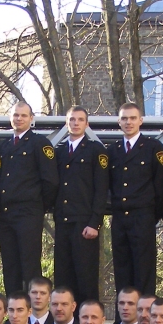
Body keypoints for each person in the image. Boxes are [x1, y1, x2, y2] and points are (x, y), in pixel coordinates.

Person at [0, 103, 60, 294]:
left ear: (31, 118)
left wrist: (39, 206)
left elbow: (51, 181)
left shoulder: (39, 143)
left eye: (24, 115)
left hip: (29, 213)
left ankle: (34, 313)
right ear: (10, 118)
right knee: (10, 266)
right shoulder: (5, 146)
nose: (19, 119)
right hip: (7, 214)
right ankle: (14, 309)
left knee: (30, 265)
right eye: (15, 115)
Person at [107, 102, 163, 296]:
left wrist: (154, 215)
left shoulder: (153, 147)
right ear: (119, 122)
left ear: (141, 120)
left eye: (133, 118)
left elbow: (161, 185)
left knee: (144, 271)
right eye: (124, 118)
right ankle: (123, 320)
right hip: (119, 219)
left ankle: (144, 319)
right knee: (122, 270)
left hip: (143, 217)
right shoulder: (113, 150)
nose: (128, 122)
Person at [53, 106, 108, 303]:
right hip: (63, 221)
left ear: (87, 124)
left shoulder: (95, 150)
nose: (75, 123)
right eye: (72, 120)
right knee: (63, 277)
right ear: (66, 123)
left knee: (86, 277)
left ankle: (88, 321)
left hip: (85, 223)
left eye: (80, 120)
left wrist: (95, 222)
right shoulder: (58, 152)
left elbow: (101, 190)